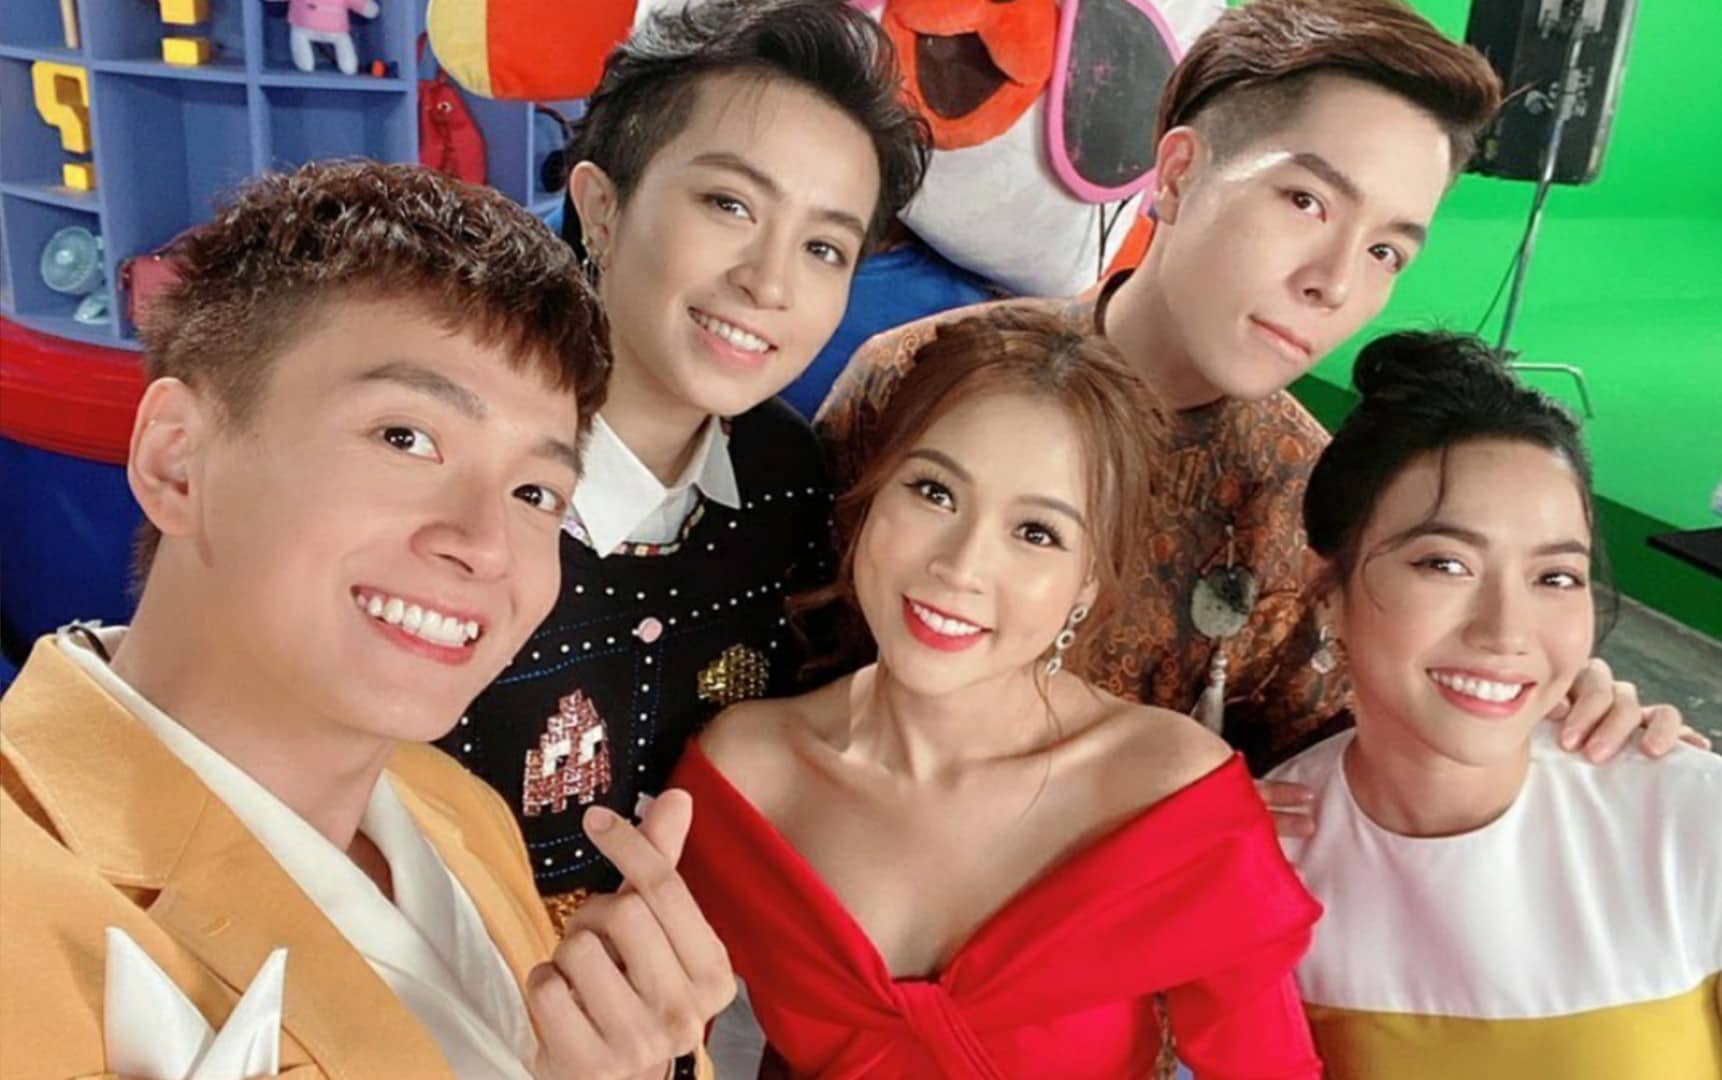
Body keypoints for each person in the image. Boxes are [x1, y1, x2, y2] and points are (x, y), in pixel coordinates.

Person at [815, 0, 1703, 782]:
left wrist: (1546, 718)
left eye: (1385, 250)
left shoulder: (1311, 504)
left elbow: (1347, 782)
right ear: (1177, 175)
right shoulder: (924, 378)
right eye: (1307, 202)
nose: (1334, 282)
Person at [0, 161, 732, 1080]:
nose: (485, 545)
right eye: (405, 438)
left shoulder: (455, 808)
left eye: (535, 492)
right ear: (178, 461)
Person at [672, 308, 1324, 1078]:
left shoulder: (1166, 792)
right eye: (933, 492)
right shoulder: (747, 776)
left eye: (1037, 533)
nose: (962, 566)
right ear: (872, 498)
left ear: (1088, 580)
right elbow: (663, 1039)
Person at [445, 0, 931, 926]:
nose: (770, 282)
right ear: (601, 207)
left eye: (824, 247)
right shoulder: (451, 474)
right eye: (729, 205)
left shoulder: (795, 481)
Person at [1270, 332, 1722, 1078]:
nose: (1506, 631)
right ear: (1329, 592)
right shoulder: (1267, 861)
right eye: (1445, 564)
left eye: (1555, 577)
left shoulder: (1690, 820)